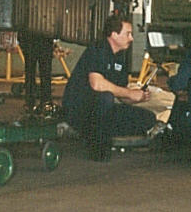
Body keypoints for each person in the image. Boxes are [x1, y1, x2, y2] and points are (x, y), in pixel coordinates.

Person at [62, 13, 156, 161]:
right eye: (128, 34)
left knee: (148, 118)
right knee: (105, 97)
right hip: (79, 109)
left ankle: (96, 134)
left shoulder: (120, 57)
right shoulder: (97, 50)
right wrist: (129, 93)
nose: (131, 38)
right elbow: (97, 84)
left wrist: (137, 96)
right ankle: (97, 148)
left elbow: (121, 94)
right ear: (114, 35)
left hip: (102, 110)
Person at [19, 31, 55, 113]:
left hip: (33, 39)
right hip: (41, 39)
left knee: (31, 72)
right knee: (44, 72)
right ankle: (44, 103)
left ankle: (31, 103)